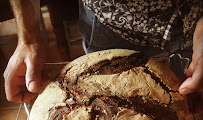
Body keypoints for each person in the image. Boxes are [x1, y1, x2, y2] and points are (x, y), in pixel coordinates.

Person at [3, 0, 203, 113]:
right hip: (109, 19)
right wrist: (28, 38)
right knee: (103, 101)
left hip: (191, 25)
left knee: (177, 97)